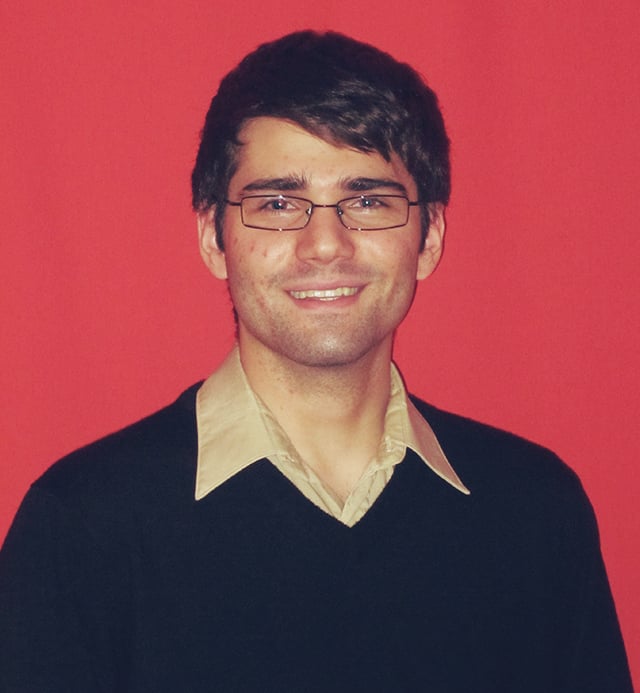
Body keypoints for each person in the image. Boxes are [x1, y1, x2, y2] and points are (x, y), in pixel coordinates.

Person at [0, 31, 632, 693]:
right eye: (277, 204)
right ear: (213, 238)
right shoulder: (81, 527)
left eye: (368, 201)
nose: (325, 244)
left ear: (429, 238)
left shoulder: (535, 512)